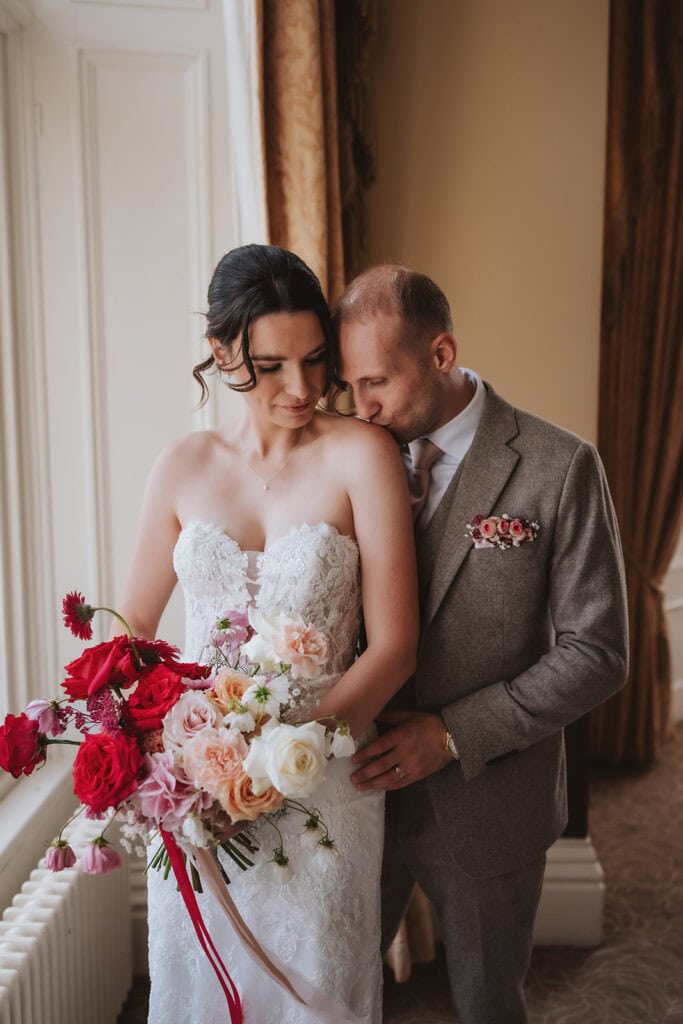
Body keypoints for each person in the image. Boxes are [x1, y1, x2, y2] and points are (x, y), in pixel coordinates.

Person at [114, 244, 419, 1024]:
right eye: (272, 365)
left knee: (313, 993)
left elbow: (393, 647)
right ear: (221, 353)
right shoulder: (180, 466)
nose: (303, 387)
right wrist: (177, 763)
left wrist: (279, 762)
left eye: (315, 360)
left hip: (324, 781)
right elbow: (133, 634)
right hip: (197, 787)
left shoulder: (362, 454)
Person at [334, 264, 629, 1024]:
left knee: (488, 1005)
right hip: (350, 793)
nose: (361, 407)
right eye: (350, 385)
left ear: (440, 354)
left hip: (490, 799)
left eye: (377, 382)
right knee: (335, 998)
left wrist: (452, 735)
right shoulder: (346, 456)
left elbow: (597, 652)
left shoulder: (560, 466)